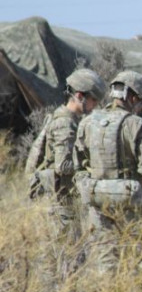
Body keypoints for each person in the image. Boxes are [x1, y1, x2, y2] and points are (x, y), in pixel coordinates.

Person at [74, 72, 142, 270]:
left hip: (98, 203)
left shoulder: (87, 122)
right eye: (141, 101)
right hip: (132, 206)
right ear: (133, 98)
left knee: (106, 262)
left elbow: (78, 165)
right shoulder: (136, 124)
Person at [25, 68, 104, 234]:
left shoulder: (68, 119)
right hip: (59, 203)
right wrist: (91, 165)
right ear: (80, 96)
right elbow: (63, 165)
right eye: (93, 100)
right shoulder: (65, 123)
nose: (95, 105)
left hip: (62, 199)